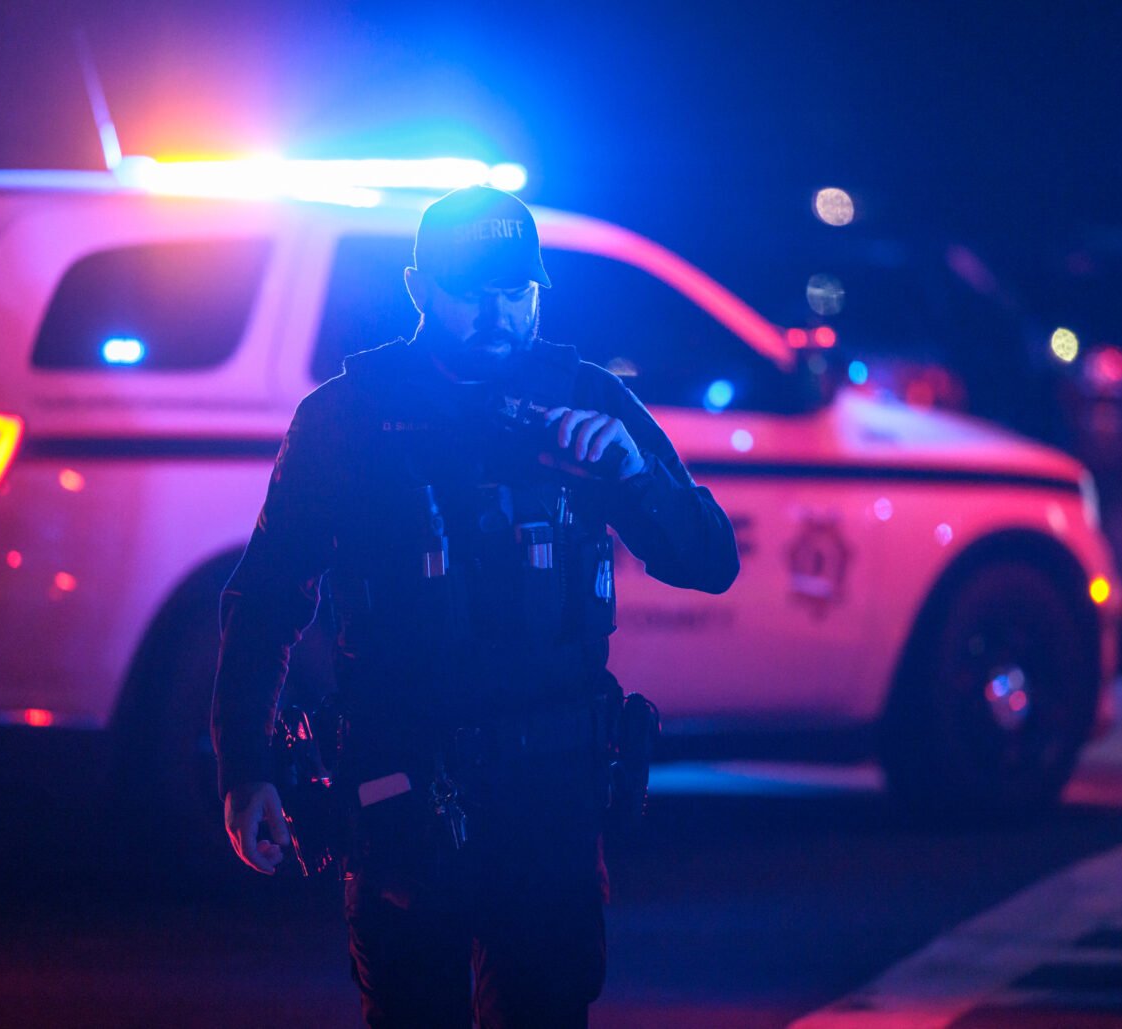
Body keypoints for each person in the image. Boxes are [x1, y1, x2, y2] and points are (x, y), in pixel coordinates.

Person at [211, 185, 740, 1027]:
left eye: (516, 289)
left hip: (553, 797)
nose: (498, 311)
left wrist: (634, 475)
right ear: (420, 287)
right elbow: (268, 596)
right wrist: (245, 768)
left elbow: (710, 561)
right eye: (472, 289)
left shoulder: (590, 400)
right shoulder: (349, 416)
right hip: (401, 789)